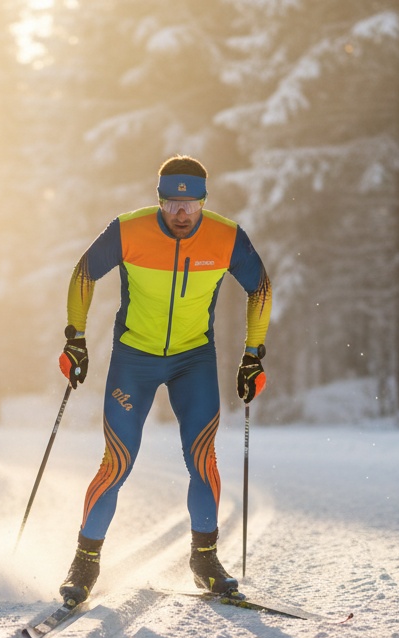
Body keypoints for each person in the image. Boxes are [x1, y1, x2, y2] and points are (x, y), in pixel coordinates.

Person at [55, 155, 272, 607]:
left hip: (193, 360)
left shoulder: (226, 236)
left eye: (190, 203)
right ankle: (85, 562)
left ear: (202, 201)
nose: (181, 213)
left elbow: (261, 287)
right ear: (158, 199)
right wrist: (76, 339)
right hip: (134, 360)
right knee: (117, 462)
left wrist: (253, 355)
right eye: (171, 203)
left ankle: (205, 560)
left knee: (203, 459)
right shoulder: (129, 231)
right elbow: (83, 273)